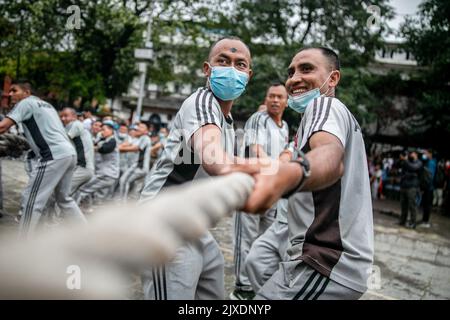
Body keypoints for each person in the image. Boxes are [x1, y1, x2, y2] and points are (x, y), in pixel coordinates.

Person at [242, 47, 374, 300]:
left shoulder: (324, 106)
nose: (294, 79)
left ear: (333, 79)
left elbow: (330, 157)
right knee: (258, 263)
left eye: (306, 69)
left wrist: (287, 178)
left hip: (325, 260)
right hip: (309, 248)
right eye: (290, 72)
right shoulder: (313, 122)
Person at [139, 37, 258, 300]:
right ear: (208, 69)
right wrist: (273, 171)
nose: (231, 70)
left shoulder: (226, 121)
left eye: (240, 65)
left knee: (212, 283)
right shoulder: (202, 102)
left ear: (248, 76)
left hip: (193, 224)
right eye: (223, 61)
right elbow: (214, 158)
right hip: (165, 219)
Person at [0, 80, 86, 237]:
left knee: (32, 201)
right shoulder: (47, 105)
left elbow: (2, 126)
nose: (10, 94)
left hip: (53, 155)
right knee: (64, 199)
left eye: (14, 90)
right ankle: (88, 234)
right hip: (69, 153)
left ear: (26, 93)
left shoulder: (25, 103)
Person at [231, 83, 289, 300]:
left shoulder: (284, 127)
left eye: (279, 97)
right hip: (252, 186)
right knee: (245, 239)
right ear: (266, 98)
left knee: (265, 242)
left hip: (274, 191)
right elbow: (256, 149)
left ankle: (258, 284)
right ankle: (242, 287)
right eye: (271, 96)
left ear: (286, 101)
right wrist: (278, 171)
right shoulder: (258, 119)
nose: (275, 100)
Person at [75, 123, 119, 208]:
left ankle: (70, 214)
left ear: (111, 131)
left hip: (107, 175)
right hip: (103, 174)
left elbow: (104, 149)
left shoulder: (112, 141)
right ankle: (87, 208)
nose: (102, 132)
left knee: (82, 189)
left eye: (104, 129)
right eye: (101, 130)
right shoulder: (102, 139)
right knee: (88, 191)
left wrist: (92, 147)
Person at [59, 107, 95, 195]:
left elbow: (61, 141)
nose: (63, 118)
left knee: (61, 195)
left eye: (66, 116)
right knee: (64, 196)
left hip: (83, 168)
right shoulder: (76, 125)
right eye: (61, 116)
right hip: (83, 169)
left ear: (74, 117)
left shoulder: (75, 124)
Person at [118, 122, 151, 201]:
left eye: (142, 127)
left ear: (147, 131)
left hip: (140, 167)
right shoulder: (139, 138)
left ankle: (122, 204)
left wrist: (119, 148)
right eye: (138, 126)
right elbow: (128, 145)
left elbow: (136, 148)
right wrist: (120, 147)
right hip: (141, 168)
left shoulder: (145, 137)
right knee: (135, 190)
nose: (138, 128)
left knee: (124, 181)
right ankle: (132, 207)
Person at [399, 151, 422, 228]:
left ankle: (413, 222)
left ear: (416, 154)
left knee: (412, 205)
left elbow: (413, 167)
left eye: (412, 153)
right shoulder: (407, 162)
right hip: (404, 186)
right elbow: (403, 172)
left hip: (412, 187)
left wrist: (405, 161)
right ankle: (402, 221)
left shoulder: (419, 162)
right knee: (403, 205)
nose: (410, 155)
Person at [419, 149, 436, 227]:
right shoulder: (429, 162)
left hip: (429, 187)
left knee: (427, 204)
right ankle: (424, 220)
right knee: (425, 204)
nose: (424, 155)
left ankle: (425, 221)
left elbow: (429, 176)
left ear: (430, 154)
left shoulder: (431, 163)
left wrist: (424, 186)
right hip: (428, 186)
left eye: (426, 153)